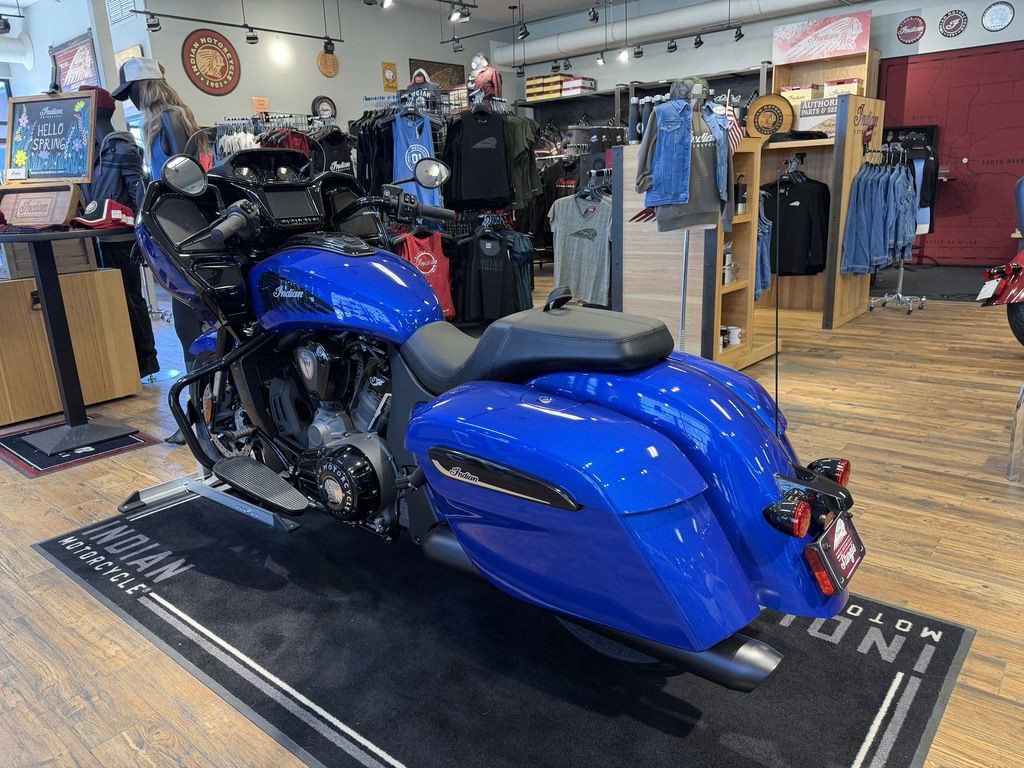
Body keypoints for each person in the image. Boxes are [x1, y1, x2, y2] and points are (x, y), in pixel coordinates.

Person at [112, 58, 209, 443]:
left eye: (132, 92)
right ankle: (200, 420)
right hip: (177, 236)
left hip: (183, 238)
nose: (132, 101)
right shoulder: (170, 119)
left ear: (144, 87)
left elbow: (182, 183)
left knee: (191, 329)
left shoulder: (168, 119)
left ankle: (201, 422)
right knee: (190, 329)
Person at [77, 85, 159, 377]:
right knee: (111, 300)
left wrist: (142, 237)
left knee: (130, 297)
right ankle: (124, 361)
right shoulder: (89, 155)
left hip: (122, 239)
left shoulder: (122, 150)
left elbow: (140, 196)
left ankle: (145, 361)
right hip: (94, 239)